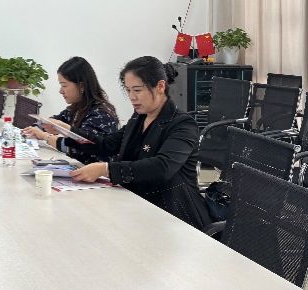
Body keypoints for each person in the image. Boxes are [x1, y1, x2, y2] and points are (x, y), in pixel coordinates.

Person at [45, 56, 210, 229]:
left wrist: (106, 169)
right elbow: (107, 144)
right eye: (128, 90)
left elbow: (162, 167)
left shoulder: (182, 124)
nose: (132, 97)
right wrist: (69, 132)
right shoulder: (139, 117)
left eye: (137, 90)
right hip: (137, 205)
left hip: (174, 215)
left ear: (160, 87)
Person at [21, 56, 119, 164]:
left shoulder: (101, 114)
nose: (60, 91)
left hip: (95, 172)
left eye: (64, 85)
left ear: (82, 86)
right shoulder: (77, 107)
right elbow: (53, 120)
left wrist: (44, 136)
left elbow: (78, 150)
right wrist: (36, 128)